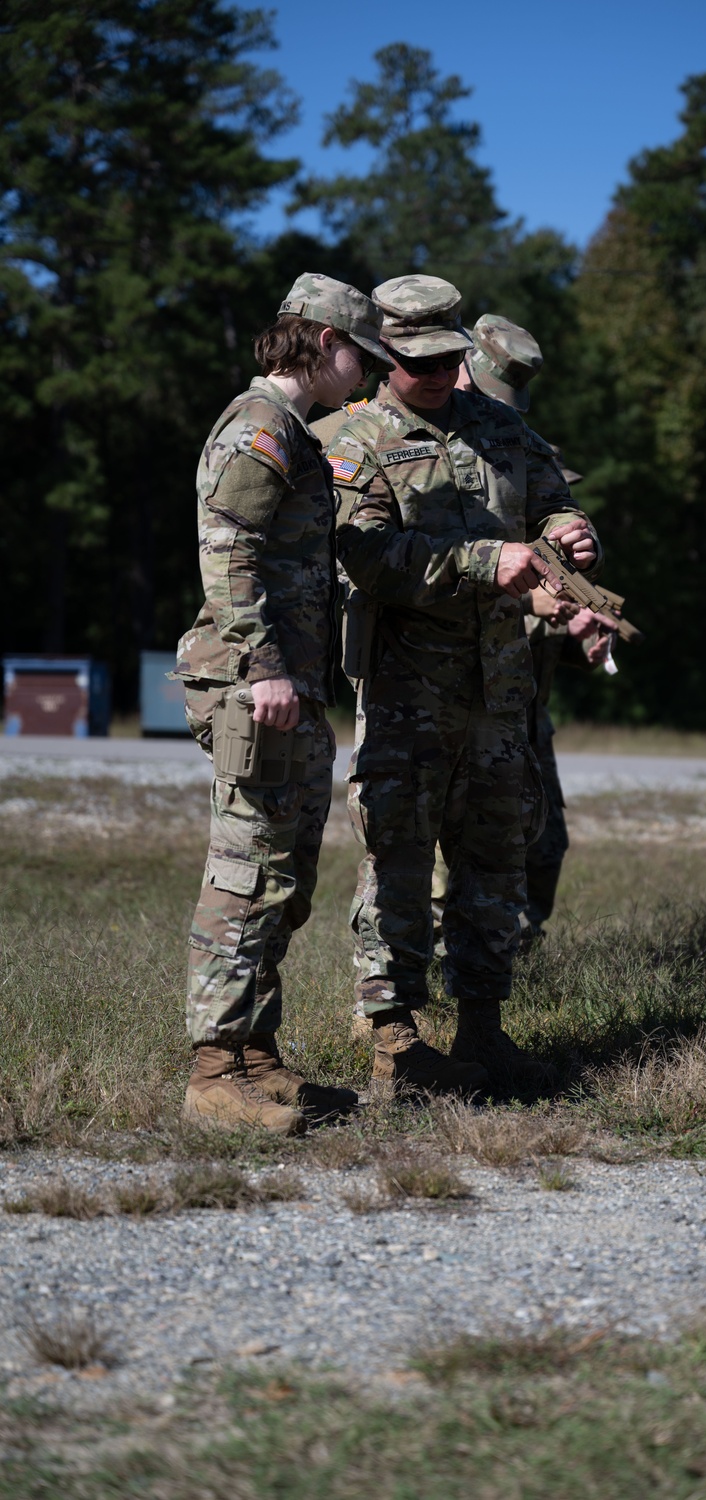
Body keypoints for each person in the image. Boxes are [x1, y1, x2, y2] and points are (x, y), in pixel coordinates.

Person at [327, 275, 603, 1094]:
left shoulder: (503, 428)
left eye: (449, 358)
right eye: (419, 362)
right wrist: (488, 559)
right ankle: (395, 1041)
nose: (439, 375)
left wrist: (570, 534)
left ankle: (484, 1028)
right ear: (385, 354)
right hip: (410, 688)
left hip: (502, 689)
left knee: (495, 860)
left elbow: (548, 509)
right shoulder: (353, 438)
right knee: (399, 858)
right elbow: (366, 556)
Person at [174, 273, 393, 1134]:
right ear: (324, 342)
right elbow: (226, 551)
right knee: (245, 870)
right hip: (253, 686)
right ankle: (212, 1075)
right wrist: (264, 664)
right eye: (361, 356)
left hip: (292, 689)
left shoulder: (293, 431)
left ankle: (257, 1060)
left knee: (285, 876)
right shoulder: (259, 427)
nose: (368, 375)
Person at [450, 315, 617, 947]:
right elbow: (435, 574)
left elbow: (572, 544)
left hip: (520, 699)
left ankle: (513, 954)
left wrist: (577, 625)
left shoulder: (522, 459)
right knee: (440, 853)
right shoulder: (433, 456)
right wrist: (535, 608)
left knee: (536, 842)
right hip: (451, 687)